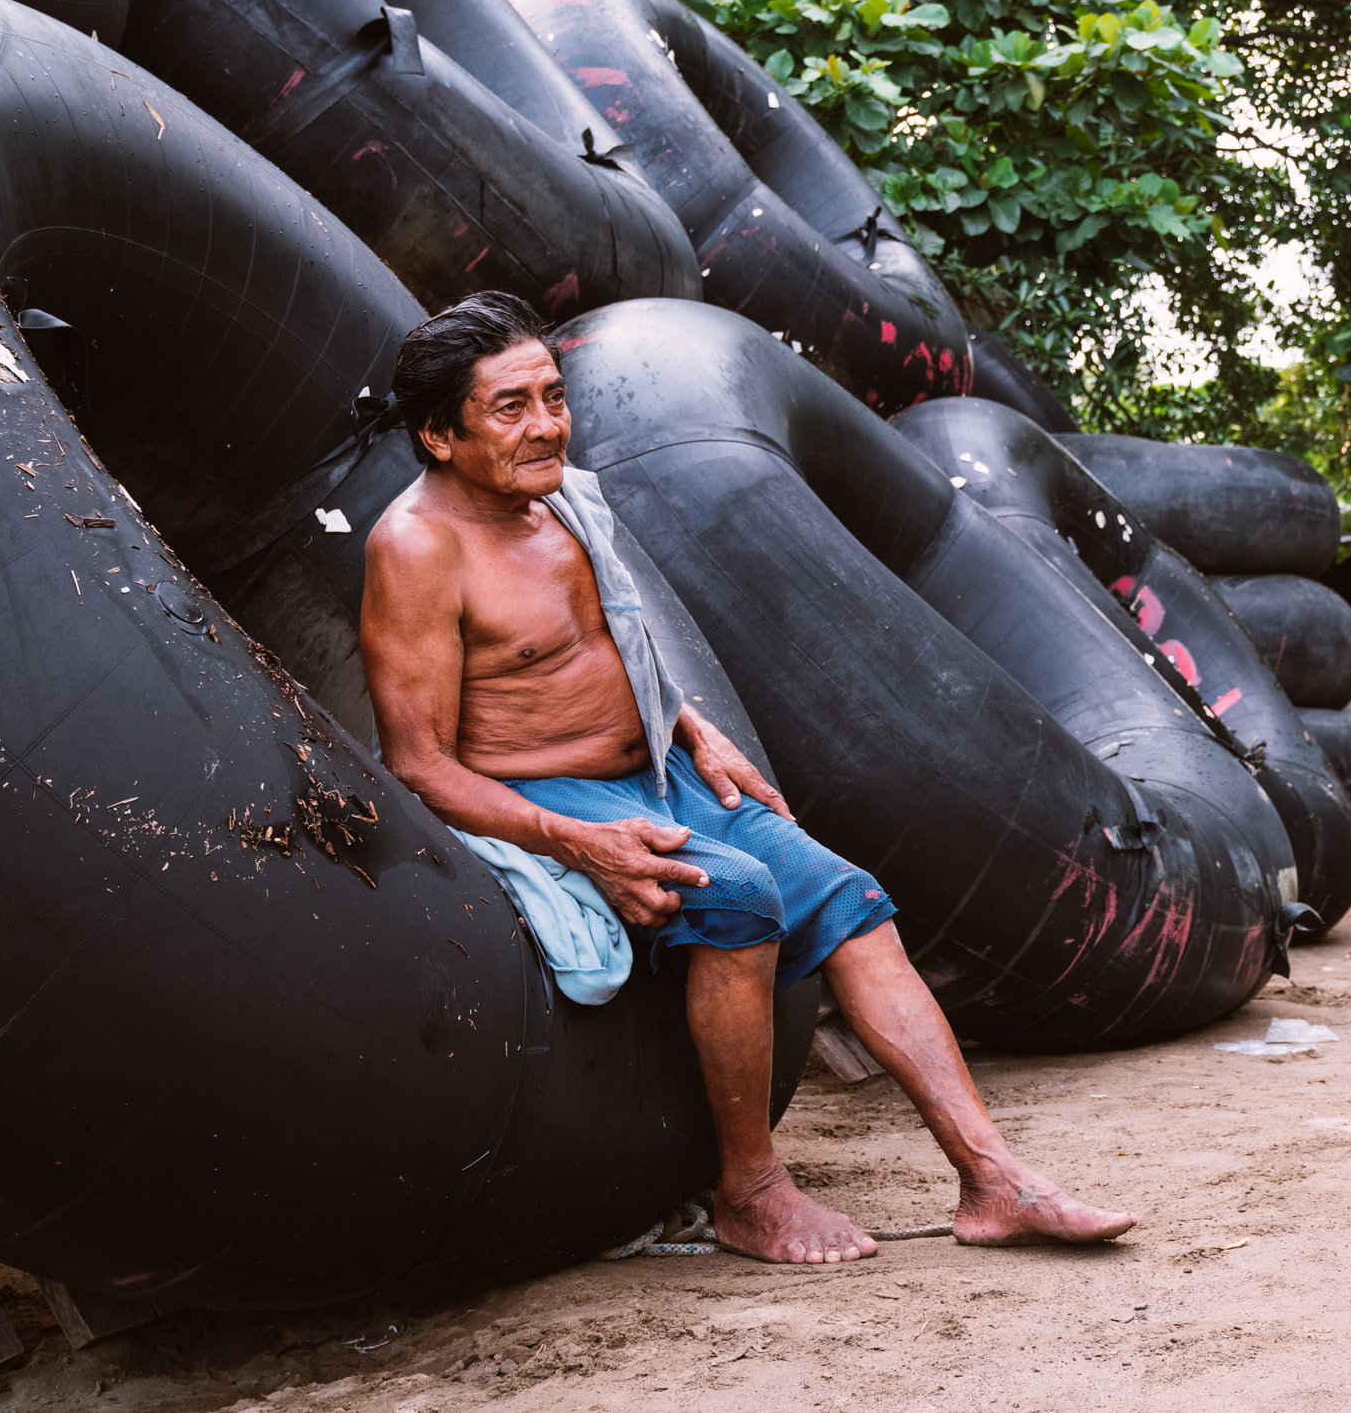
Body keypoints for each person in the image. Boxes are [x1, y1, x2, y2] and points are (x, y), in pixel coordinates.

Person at [360, 292, 1133, 1264]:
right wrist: (577, 841)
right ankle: (751, 1190)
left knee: (854, 901)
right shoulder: (418, 548)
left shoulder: (565, 496)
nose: (547, 424)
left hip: (662, 771)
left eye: (554, 397)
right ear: (438, 434)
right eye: (509, 408)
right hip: (555, 798)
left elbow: (607, 644)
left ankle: (993, 1180)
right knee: (739, 900)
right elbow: (419, 764)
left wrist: (692, 728)